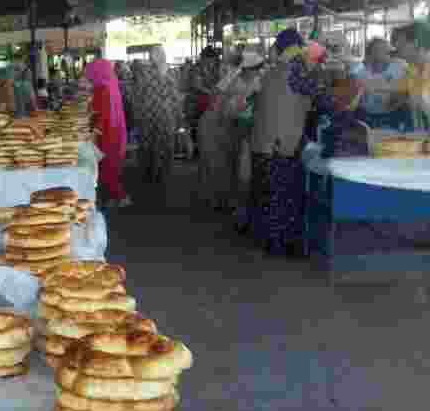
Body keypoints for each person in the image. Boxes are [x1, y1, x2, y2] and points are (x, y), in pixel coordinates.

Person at [247, 28, 334, 254]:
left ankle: (266, 239)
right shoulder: (294, 72)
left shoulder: (271, 71)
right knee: (283, 196)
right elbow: (323, 98)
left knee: (266, 196)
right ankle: (280, 245)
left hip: (262, 143)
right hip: (280, 145)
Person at [197, 52, 265, 212]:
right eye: (255, 68)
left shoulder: (254, 81)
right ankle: (216, 201)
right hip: (213, 125)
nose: (258, 71)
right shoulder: (232, 79)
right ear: (246, 69)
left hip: (228, 125)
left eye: (258, 68)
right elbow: (218, 102)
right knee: (216, 164)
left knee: (228, 165)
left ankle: (224, 200)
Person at [85, 58, 130, 208]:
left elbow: (103, 114)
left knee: (108, 166)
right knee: (109, 166)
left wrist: (94, 133)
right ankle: (114, 196)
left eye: (91, 73)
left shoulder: (103, 88)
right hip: (112, 131)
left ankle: (120, 197)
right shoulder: (108, 84)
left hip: (108, 134)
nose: (89, 76)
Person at [132, 48, 181, 184]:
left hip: (149, 117)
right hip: (164, 117)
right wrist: (179, 117)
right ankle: (161, 176)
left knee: (150, 147)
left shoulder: (144, 74)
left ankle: (151, 176)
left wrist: (137, 116)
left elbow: (137, 97)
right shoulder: (171, 73)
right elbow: (176, 98)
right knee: (164, 148)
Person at [349, 38, 409, 130]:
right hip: (365, 115)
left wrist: (396, 101)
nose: (385, 53)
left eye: (386, 50)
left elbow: (406, 93)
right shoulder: (360, 71)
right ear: (370, 53)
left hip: (391, 115)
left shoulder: (399, 68)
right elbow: (354, 95)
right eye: (377, 50)